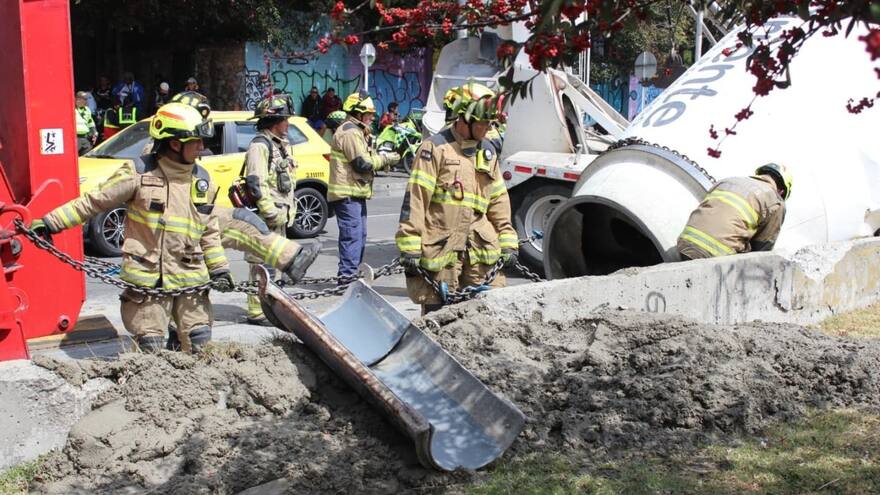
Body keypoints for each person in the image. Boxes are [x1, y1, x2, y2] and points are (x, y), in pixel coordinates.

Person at [32, 102, 230, 353]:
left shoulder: (202, 180)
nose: (202, 147)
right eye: (196, 141)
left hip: (191, 283)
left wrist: (220, 269)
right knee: (150, 348)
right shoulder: (138, 173)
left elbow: (209, 231)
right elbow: (93, 202)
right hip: (148, 283)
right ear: (174, 144)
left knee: (201, 343)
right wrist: (51, 222)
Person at [396, 83, 518, 314]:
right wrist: (409, 245)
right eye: (482, 122)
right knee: (438, 318)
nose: (487, 128)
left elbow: (499, 201)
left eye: (490, 122)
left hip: (479, 251)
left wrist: (508, 240)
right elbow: (416, 200)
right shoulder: (435, 149)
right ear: (463, 119)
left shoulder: (487, 152)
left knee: (483, 317)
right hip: (442, 250)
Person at [242, 93, 301, 325]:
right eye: (285, 119)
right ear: (274, 121)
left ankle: (270, 306)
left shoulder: (279, 145)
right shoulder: (260, 146)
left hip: (279, 216)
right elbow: (256, 182)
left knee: (273, 262)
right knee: (261, 263)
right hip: (268, 217)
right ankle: (257, 312)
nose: (288, 124)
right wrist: (270, 212)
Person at [329, 91, 400, 279]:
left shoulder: (357, 131)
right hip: (347, 195)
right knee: (352, 238)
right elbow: (362, 164)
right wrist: (386, 159)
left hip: (356, 192)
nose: (372, 117)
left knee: (359, 237)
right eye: (368, 113)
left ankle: (352, 277)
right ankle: (346, 280)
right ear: (358, 113)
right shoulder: (350, 132)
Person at [677, 163, 792, 260]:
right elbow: (761, 251)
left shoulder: (727, 181)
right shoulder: (777, 202)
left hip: (684, 244)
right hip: (718, 256)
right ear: (782, 191)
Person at [74, 91, 98, 155]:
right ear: (78, 99)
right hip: (75, 138)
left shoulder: (87, 109)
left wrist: (94, 133)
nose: (87, 101)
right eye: (85, 99)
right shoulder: (71, 109)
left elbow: (90, 123)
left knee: (87, 156)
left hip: (85, 138)